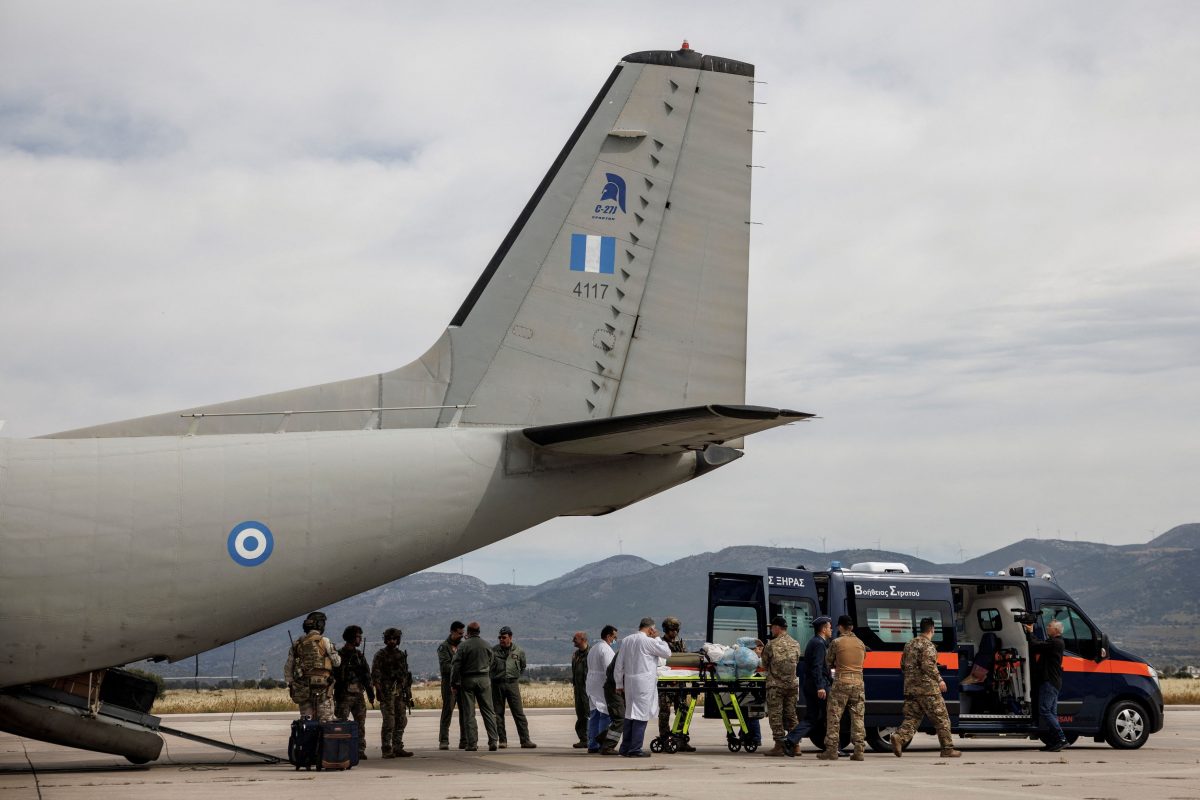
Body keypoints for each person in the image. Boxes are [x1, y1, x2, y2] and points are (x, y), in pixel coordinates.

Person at [892, 617, 960, 758]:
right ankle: (947, 748)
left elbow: (903, 665)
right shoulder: (928, 646)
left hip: (911, 688)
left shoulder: (909, 644)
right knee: (942, 718)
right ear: (932, 629)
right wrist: (939, 679)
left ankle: (899, 737)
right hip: (928, 690)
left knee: (913, 717)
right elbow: (927, 665)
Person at [613, 617, 672, 757]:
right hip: (643, 683)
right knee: (641, 715)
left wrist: (618, 683)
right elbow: (667, 653)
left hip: (629, 681)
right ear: (651, 629)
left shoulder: (627, 640)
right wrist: (657, 638)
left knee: (630, 714)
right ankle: (635, 749)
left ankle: (625, 748)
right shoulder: (648, 641)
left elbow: (618, 664)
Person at [820, 614, 866, 761]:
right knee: (858, 717)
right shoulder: (860, 643)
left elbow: (828, 661)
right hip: (858, 683)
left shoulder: (836, 642)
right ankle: (859, 750)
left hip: (841, 682)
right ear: (851, 627)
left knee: (834, 716)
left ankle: (832, 750)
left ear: (840, 627)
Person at [785, 616, 832, 756]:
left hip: (811, 684)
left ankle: (790, 740)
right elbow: (817, 667)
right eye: (829, 627)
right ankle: (832, 747)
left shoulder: (815, 642)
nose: (831, 630)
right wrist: (821, 686)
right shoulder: (819, 644)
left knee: (812, 717)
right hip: (818, 685)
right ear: (823, 629)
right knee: (829, 717)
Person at [284, 611, 342, 723]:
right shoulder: (324, 641)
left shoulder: (296, 644)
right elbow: (337, 662)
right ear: (320, 625)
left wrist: (292, 685)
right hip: (323, 689)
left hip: (303, 689)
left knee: (307, 722)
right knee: (326, 722)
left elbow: (288, 669)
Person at [450, 621, 500, 751]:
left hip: (468, 680)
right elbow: (493, 662)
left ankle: (472, 743)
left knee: (469, 713)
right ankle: (493, 741)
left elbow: (456, 666)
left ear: (468, 631)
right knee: (488, 711)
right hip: (484, 679)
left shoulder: (463, 646)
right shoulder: (487, 645)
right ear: (479, 631)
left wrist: (454, 682)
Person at [761, 615, 801, 757]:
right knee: (791, 715)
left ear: (777, 628)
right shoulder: (796, 643)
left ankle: (779, 745)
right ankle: (795, 745)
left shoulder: (771, 645)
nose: (771, 630)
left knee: (776, 715)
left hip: (776, 686)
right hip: (792, 685)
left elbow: (764, 664)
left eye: (772, 627)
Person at [1025, 617, 1067, 752]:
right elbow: (1039, 644)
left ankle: (1061, 739)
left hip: (1050, 682)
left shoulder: (1055, 643)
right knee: (1052, 713)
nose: (1047, 627)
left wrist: (1030, 632)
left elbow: (1035, 645)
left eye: (1049, 626)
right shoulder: (1055, 642)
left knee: (1045, 710)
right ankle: (1054, 741)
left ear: (1055, 630)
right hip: (1053, 682)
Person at [333, 624, 375, 760]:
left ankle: (359, 750)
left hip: (358, 695)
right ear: (351, 637)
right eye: (358, 637)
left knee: (360, 724)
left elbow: (367, 675)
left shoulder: (359, 656)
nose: (360, 639)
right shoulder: (339, 655)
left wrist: (370, 693)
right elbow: (335, 675)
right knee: (341, 724)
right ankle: (341, 750)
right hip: (344, 695)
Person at [491, 626, 537, 748]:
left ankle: (525, 740)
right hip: (497, 684)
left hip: (512, 684)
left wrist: (514, 676)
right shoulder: (493, 651)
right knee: (498, 713)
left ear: (510, 637)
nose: (501, 639)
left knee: (518, 713)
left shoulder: (519, 651)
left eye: (504, 637)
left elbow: (522, 666)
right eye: (500, 637)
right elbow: (489, 666)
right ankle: (502, 740)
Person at [372, 627, 413, 758]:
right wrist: (378, 690)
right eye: (389, 639)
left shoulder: (401, 655)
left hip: (400, 692)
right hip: (386, 692)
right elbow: (376, 674)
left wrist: (407, 692)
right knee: (389, 721)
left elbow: (405, 675)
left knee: (401, 720)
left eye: (394, 639)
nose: (392, 641)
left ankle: (397, 746)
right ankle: (386, 748)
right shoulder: (380, 655)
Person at [656, 617, 695, 751]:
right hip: (666, 684)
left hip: (679, 684)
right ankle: (665, 738)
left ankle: (681, 738)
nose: (675, 632)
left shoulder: (680, 643)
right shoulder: (660, 644)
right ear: (666, 630)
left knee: (683, 710)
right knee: (665, 712)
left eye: (676, 630)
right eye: (673, 630)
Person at [586, 625, 618, 753]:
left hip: (592, 684)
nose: (615, 640)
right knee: (605, 713)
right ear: (608, 636)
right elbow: (609, 669)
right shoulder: (606, 649)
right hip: (602, 684)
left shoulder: (594, 648)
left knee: (594, 714)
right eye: (614, 637)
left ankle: (592, 744)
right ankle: (602, 744)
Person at [437, 620, 468, 750]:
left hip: (462, 683)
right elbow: (445, 666)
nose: (462, 635)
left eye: (463, 633)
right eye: (459, 633)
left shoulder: (463, 646)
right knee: (447, 711)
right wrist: (459, 668)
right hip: (449, 684)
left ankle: (464, 740)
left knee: (465, 712)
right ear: (452, 632)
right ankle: (444, 740)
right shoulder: (444, 647)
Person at [601, 634, 626, 754]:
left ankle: (602, 739)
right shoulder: (624, 655)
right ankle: (608, 746)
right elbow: (614, 673)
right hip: (614, 689)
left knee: (621, 718)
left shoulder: (623, 653)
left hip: (614, 688)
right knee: (620, 718)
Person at [571, 631, 590, 748]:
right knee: (580, 714)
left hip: (588, 689)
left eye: (575, 639)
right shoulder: (575, 655)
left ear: (583, 640)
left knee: (589, 714)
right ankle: (583, 738)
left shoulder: (591, 653)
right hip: (578, 689)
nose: (573, 641)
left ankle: (591, 738)